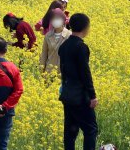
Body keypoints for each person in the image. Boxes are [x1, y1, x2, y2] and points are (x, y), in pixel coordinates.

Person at [58, 13, 98, 150]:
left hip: (67, 94)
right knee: (91, 129)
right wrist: (92, 96)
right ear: (86, 28)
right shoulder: (81, 47)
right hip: (80, 96)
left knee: (70, 131)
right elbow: (85, 73)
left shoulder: (64, 46)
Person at [39, 8, 71, 73]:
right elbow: (44, 53)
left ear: (63, 20)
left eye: (57, 18)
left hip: (63, 72)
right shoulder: (48, 35)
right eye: (53, 18)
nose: (55, 20)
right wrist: (41, 69)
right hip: (49, 71)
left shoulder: (69, 35)